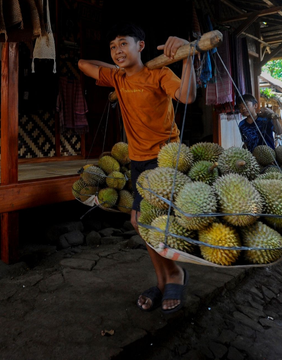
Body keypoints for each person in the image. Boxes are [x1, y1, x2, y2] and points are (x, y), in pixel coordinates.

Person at [78, 23, 196, 313]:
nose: (118, 50)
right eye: (113, 47)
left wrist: (187, 55)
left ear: (140, 46)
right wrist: (118, 68)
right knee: (140, 223)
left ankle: (173, 275)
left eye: (123, 44)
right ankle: (162, 280)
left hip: (166, 158)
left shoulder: (159, 73)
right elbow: (83, 64)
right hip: (138, 159)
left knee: (149, 222)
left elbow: (187, 96)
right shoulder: (117, 79)